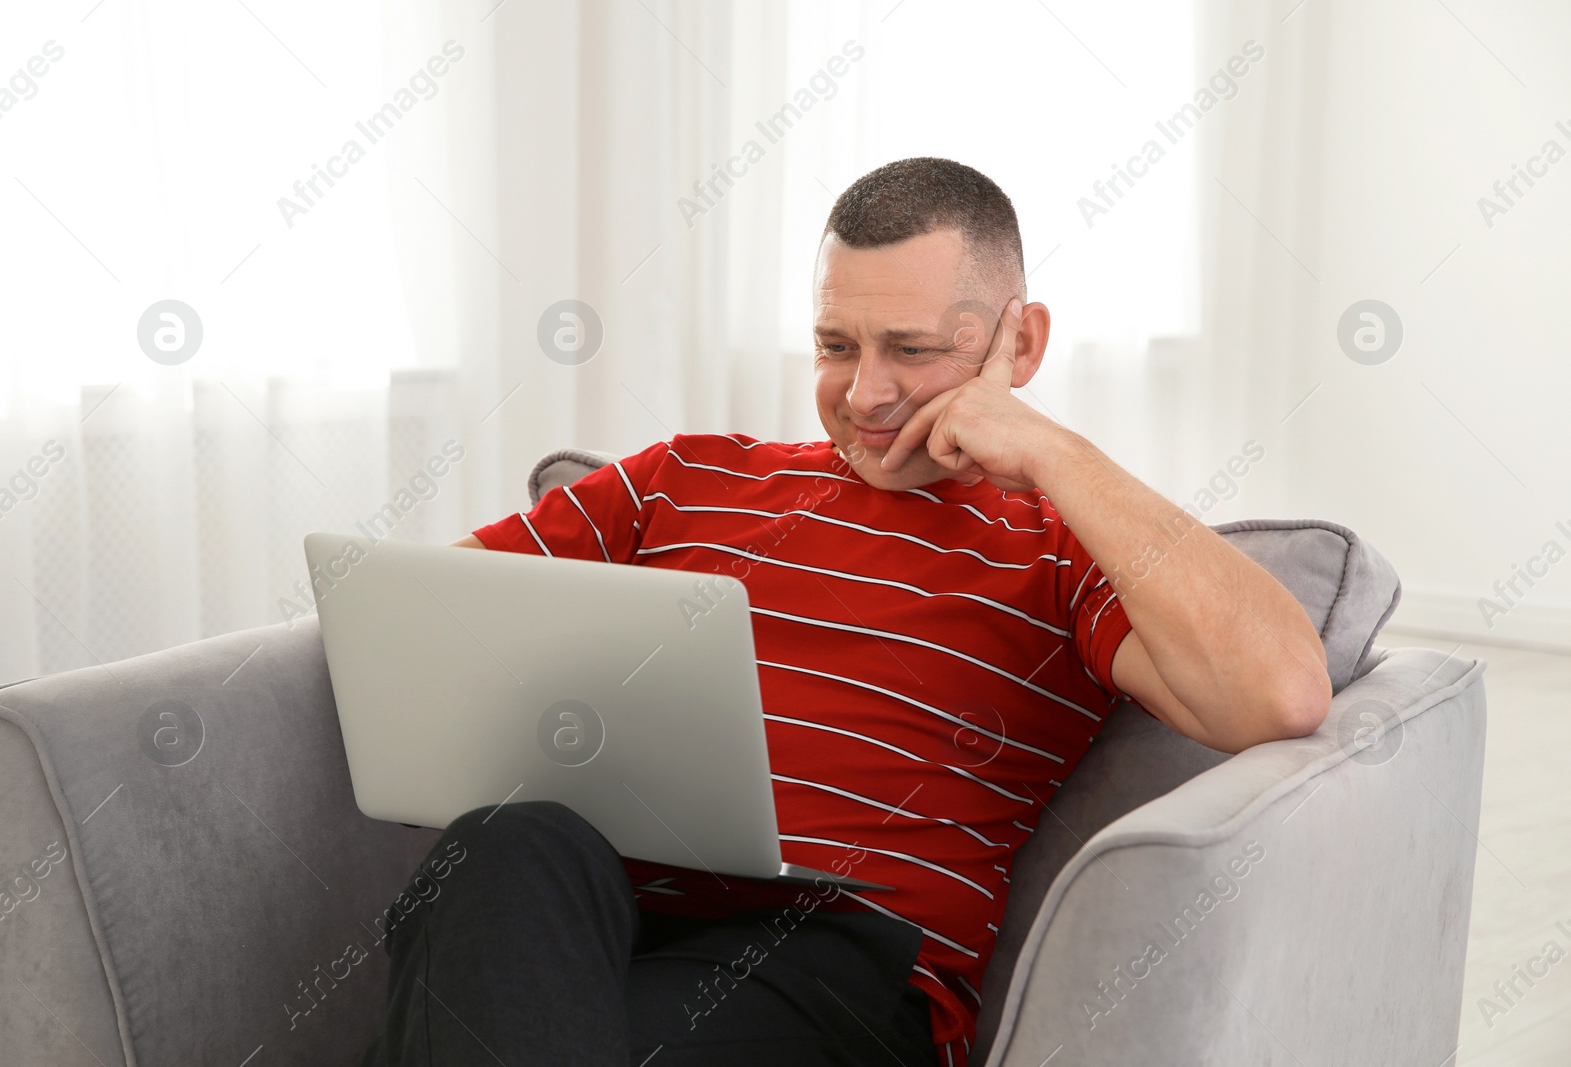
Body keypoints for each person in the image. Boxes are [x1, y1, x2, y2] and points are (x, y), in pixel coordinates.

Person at [362, 157, 1331, 1067]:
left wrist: (1051, 451)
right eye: (836, 346)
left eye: (911, 350)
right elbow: (411, 621)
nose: (865, 393)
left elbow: (1278, 693)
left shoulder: (1058, 544)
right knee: (509, 837)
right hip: (595, 915)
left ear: (1018, 342)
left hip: (829, 965)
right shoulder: (681, 477)